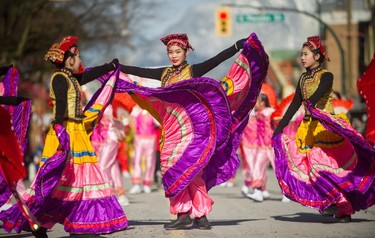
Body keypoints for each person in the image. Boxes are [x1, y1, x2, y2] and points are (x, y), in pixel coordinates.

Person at [118, 33, 268, 230]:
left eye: (177, 51)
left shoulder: (193, 70)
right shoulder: (163, 73)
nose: (173, 55)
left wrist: (235, 47)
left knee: (194, 172)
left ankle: (201, 214)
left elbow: (216, 60)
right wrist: (117, 68)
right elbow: (140, 71)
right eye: (170, 52)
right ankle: (183, 213)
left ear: (186, 52)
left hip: (193, 133)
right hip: (170, 131)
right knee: (172, 170)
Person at [0, 36, 128, 237]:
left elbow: (87, 76)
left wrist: (111, 66)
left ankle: (78, 222)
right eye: (78, 57)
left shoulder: (70, 78)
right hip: (64, 132)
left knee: (80, 180)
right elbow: (60, 105)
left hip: (75, 133)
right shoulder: (59, 78)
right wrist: (60, 130)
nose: (80, 61)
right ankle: (36, 221)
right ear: (69, 59)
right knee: (56, 182)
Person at [272, 36, 375, 223]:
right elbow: (296, 103)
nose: (302, 58)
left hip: (326, 128)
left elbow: (320, 92)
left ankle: (340, 206)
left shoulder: (327, 76)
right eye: (301, 55)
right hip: (308, 129)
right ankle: (335, 204)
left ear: (317, 56)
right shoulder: (303, 78)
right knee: (313, 169)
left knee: (328, 169)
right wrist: (279, 127)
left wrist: (310, 104)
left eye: (305, 54)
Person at [91, 104, 130, 206]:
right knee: (113, 166)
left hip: (110, 139)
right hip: (100, 141)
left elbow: (119, 118)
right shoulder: (96, 105)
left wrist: (119, 119)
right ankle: (121, 194)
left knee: (103, 167)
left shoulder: (109, 107)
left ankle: (107, 194)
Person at [241, 93, 275, 202]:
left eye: (257, 101)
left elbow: (281, 119)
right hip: (260, 146)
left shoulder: (271, 111)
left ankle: (287, 192)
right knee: (256, 167)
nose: (255, 103)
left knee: (278, 168)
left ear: (263, 102)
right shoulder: (255, 113)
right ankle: (258, 191)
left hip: (272, 146)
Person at [128, 105, 158, 194]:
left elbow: (159, 123)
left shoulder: (153, 108)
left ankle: (147, 183)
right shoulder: (136, 109)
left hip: (151, 138)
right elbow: (131, 122)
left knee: (150, 162)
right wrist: (129, 120)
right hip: (139, 138)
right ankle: (137, 183)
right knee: (136, 160)